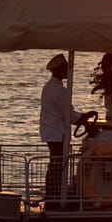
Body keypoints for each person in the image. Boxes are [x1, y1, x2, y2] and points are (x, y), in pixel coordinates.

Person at [40, 53, 96, 204]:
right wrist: (82, 118)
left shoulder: (48, 87)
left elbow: (66, 113)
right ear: (59, 70)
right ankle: (55, 194)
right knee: (58, 163)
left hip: (50, 131)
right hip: (57, 132)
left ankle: (53, 193)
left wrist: (81, 118)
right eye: (65, 68)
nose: (67, 72)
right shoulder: (59, 90)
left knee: (55, 162)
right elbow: (68, 114)